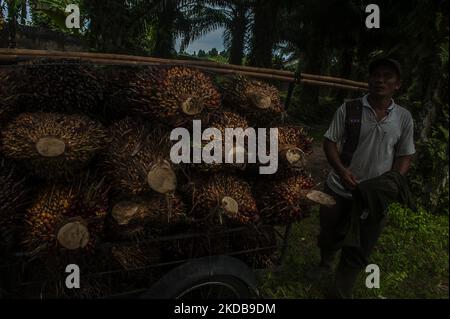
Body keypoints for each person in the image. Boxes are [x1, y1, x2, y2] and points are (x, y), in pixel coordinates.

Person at [312, 57, 416, 297]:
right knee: (330, 232)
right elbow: (329, 142)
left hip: (373, 196)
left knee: (361, 244)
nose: (380, 80)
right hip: (339, 187)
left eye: (387, 76)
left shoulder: (403, 118)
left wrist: (391, 182)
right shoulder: (349, 108)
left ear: (397, 84)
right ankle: (325, 262)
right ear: (369, 79)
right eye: (376, 75)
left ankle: (341, 289)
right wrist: (341, 170)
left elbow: (405, 155)